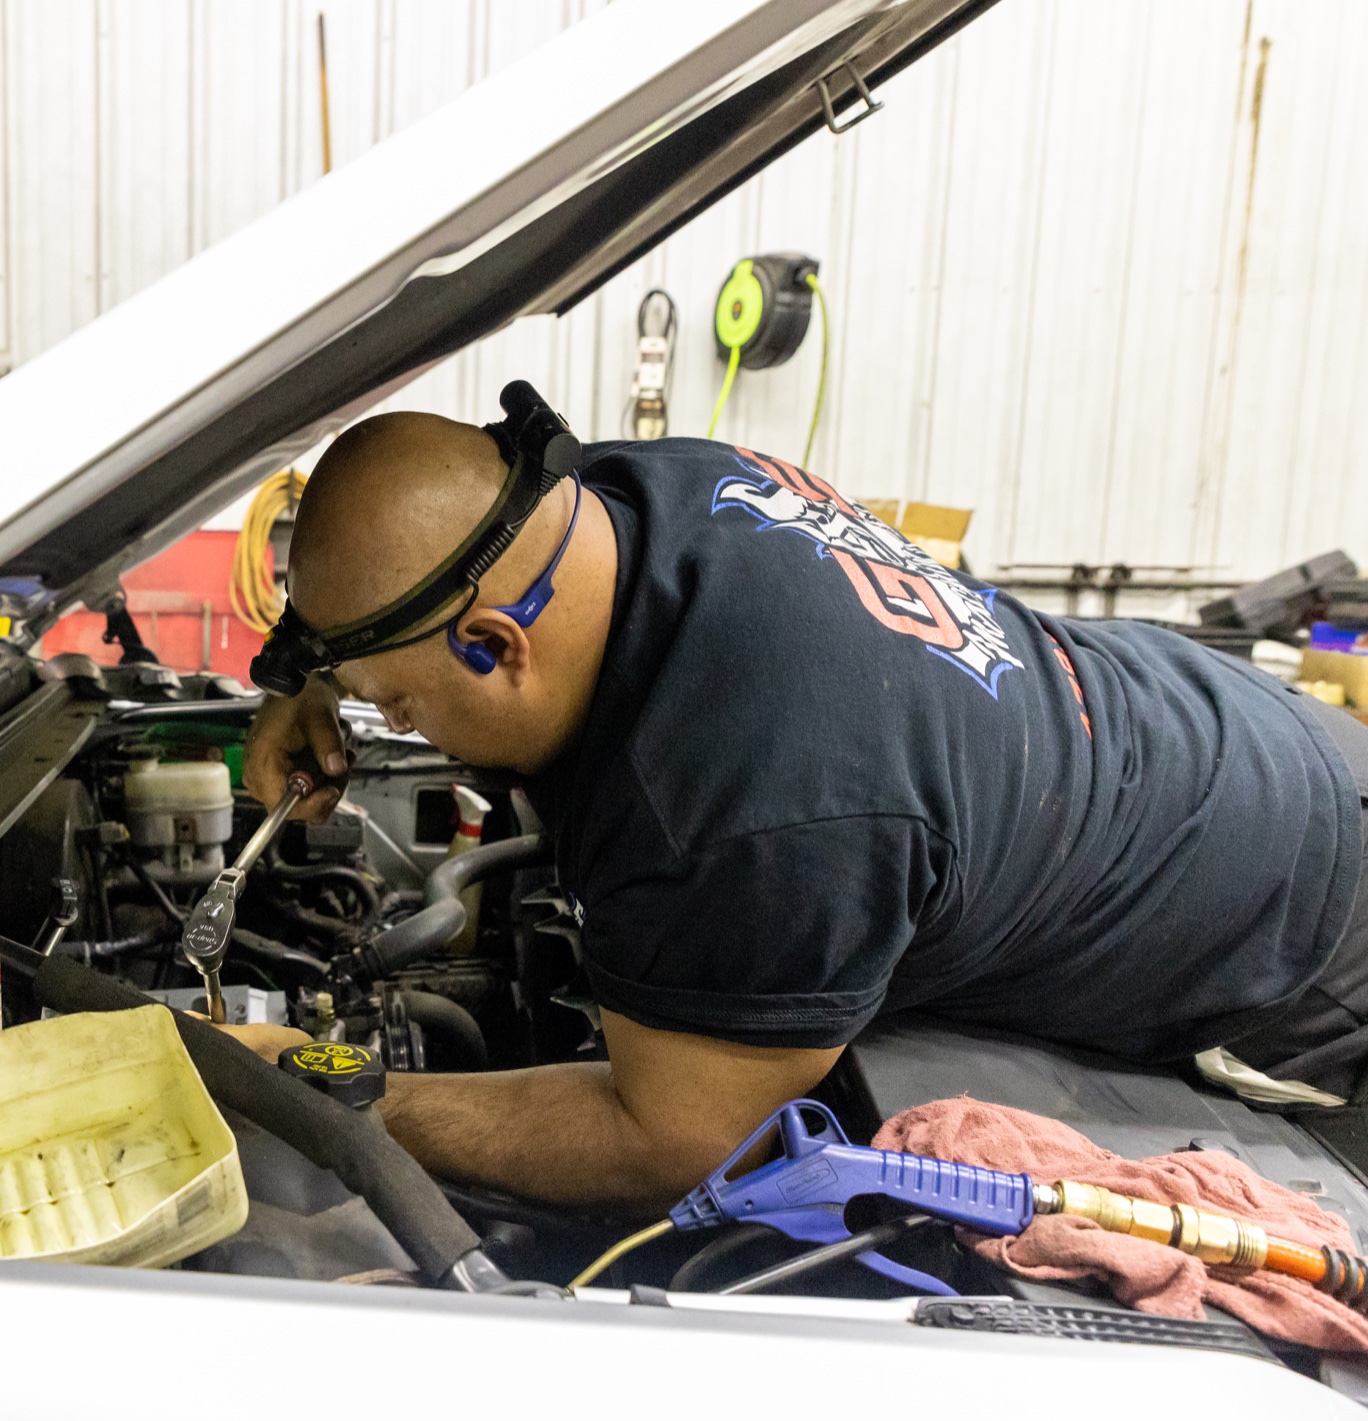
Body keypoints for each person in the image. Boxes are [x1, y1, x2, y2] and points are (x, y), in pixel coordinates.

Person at [226, 382, 1368, 1218]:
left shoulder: (745, 809)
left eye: (404, 710)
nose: (395, 730)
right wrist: (307, 677)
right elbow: (428, 533)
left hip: (1296, 913)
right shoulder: (625, 494)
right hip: (1203, 720)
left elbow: (667, 1140)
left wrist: (324, 1089)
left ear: (493, 643)